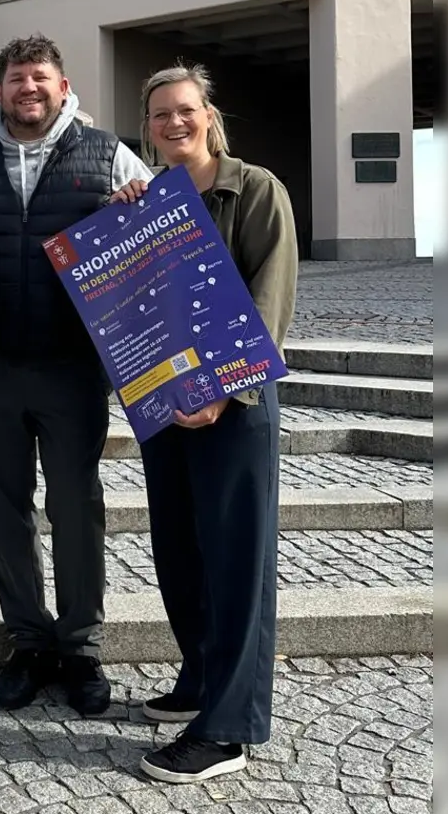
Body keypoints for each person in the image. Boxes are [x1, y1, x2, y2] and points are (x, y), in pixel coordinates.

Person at [0, 33, 152, 713]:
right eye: (17, 78)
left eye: (40, 78)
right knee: (7, 510)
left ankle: (79, 645)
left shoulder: (109, 155)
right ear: (0, 89)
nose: (29, 89)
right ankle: (26, 639)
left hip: (72, 364)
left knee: (76, 508)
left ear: (63, 84)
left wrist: (136, 208)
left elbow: (156, 231)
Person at [106, 63, 297, 783]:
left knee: (237, 560)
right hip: (167, 406)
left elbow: (269, 302)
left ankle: (227, 729)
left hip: (234, 406)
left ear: (208, 115)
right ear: (149, 129)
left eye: (185, 110)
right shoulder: (150, 199)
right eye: (159, 116)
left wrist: (223, 390)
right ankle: (200, 678)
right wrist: (125, 218)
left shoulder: (255, 191)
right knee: (181, 551)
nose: (173, 123)